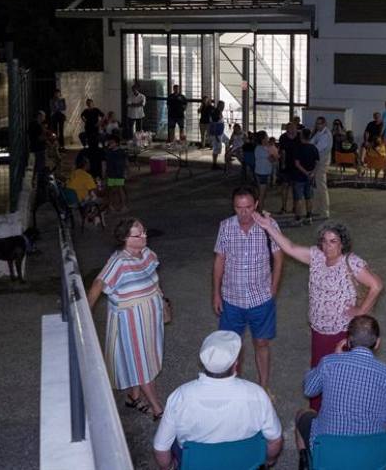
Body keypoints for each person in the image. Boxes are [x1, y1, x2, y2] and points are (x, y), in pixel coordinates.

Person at [252, 215, 383, 411]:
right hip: (318, 331)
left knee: (340, 378)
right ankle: (317, 416)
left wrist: (360, 312)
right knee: (319, 375)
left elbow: (376, 285)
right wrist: (269, 227)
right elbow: (289, 247)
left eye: (333, 241)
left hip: (341, 332)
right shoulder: (316, 257)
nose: (328, 246)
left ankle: (338, 416)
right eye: (324, 241)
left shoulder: (351, 262)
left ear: (342, 243)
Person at [153, 330, 283, 470]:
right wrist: (269, 461)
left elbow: (160, 449)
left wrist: (171, 467)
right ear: (235, 364)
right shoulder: (257, 394)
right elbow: (275, 440)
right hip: (244, 462)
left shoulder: (180, 396)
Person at [294, 316, 386, 469]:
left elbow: (309, 390)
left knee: (302, 414)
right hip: (371, 455)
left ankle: (309, 463)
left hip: (329, 451)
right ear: (377, 343)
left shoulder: (329, 363)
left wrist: (334, 358)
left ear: (348, 342)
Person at [87, 218, 166, 420]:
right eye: (138, 235)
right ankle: (158, 409)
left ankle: (133, 397)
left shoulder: (147, 254)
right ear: (125, 238)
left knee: (145, 356)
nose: (144, 237)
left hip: (149, 318)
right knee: (142, 363)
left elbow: (154, 280)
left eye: (144, 232)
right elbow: (98, 284)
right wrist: (85, 315)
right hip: (131, 321)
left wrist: (164, 304)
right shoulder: (119, 261)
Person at [213, 186, 284, 392]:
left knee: (261, 343)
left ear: (256, 205)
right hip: (231, 298)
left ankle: (263, 387)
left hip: (261, 298)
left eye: (248, 207)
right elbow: (220, 259)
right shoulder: (226, 226)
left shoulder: (268, 226)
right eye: (238, 207)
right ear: (233, 206)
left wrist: (273, 289)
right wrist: (216, 293)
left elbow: (279, 259)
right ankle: (234, 386)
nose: (243, 212)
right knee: (231, 346)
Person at [294, 128, 319, 224]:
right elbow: (317, 162)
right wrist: (312, 173)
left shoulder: (298, 148)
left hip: (299, 176)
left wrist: (305, 172)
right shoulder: (314, 148)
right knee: (309, 197)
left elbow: (297, 163)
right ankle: (309, 217)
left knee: (298, 198)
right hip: (310, 176)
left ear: (301, 136)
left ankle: (298, 218)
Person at [310, 117, 332, 221]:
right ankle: (316, 209)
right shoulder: (320, 133)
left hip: (322, 162)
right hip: (318, 161)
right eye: (317, 123)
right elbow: (312, 142)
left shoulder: (326, 135)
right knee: (316, 187)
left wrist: (310, 146)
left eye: (319, 124)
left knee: (322, 187)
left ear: (324, 124)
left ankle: (325, 211)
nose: (318, 125)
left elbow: (316, 148)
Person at [277, 122, 300, 216]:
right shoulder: (283, 137)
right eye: (290, 128)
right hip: (286, 165)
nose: (293, 130)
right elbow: (282, 151)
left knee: (295, 188)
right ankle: (284, 207)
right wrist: (282, 164)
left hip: (297, 166)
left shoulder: (299, 137)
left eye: (294, 128)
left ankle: (295, 207)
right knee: (285, 187)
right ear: (287, 129)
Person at [104, 134, 128, 213]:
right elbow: (105, 163)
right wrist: (105, 172)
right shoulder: (108, 152)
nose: (110, 144)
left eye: (112, 142)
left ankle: (123, 206)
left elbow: (125, 163)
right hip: (110, 173)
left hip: (118, 173)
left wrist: (125, 172)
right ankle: (110, 206)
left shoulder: (121, 152)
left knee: (119, 189)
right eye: (109, 142)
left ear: (117, 143)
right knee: (110, 190)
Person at [254, 130, 277, 210]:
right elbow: (273, 159)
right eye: (266, 136)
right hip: (262, 173)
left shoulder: (259, 148)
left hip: (259, 172)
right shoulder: (262, 149)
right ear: (263, 139)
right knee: (262, 194)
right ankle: (260, 212)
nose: (268, 138)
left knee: (261, 193)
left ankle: (257, 209)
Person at [28, 110, 47, 188]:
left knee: (37, 165)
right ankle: (39, 182)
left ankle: (35, 181)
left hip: (34, 147)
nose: (44, 118)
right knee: (40, 165)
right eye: (43, 116)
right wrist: (47, 137)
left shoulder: (32, 124)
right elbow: (39, 138)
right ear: (39, 116)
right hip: (39, 148)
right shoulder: (37, 126)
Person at [209, 101, 226, 171]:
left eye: (223, 106)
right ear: (219, 105)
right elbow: (213, 125)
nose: (223, 107)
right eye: (222, 106)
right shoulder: (216, 113)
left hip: (221, 133)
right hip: (217, 134)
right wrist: (216, 136)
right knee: (216, 149)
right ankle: (214, 164)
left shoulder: (218, 112)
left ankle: (227, 157)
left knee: (228, 141)